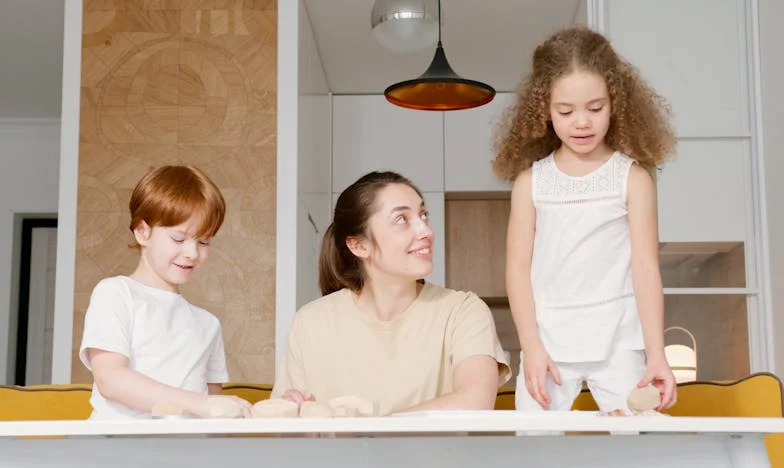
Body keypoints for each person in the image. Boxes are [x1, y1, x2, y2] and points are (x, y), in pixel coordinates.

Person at [492, 26, 677, 414]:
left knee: (641, 445)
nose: (582, 122)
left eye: (596, 108)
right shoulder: (530, 183)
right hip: (548, 343)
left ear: (616, 103)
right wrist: (530, 345)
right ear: (544, 109)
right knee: (533, 449)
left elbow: (646, 268)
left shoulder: (633, 179)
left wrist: (656, 354)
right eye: (566, 111)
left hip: (620, 339)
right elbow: (517, 270)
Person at [272, 171, 511, 416]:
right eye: (401, 220)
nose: (426, 231)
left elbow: (475, 401)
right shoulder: (310, 322)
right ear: (358, 245)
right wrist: (292, 412)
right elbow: (284, 431)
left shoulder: (463, 311)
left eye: (423, 215)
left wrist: (372, 433)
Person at [79, 165, 251, 419]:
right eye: (179, 239)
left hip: (182, 455)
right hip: (115, 452)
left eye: (204, 241)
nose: (193, 253)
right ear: (142, 232)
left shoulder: (208, 324)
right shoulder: (116, 293)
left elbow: (214, 407)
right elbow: (111, 380)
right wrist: (198, 403)